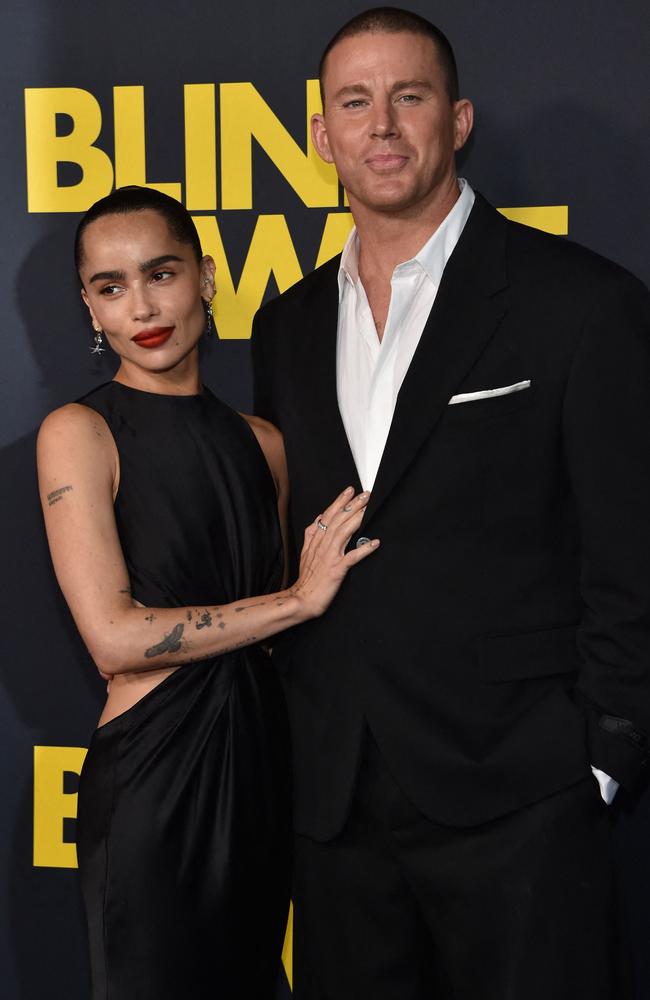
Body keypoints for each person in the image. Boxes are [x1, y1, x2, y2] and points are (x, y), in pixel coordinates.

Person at [252, 7, 650, 999]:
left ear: (458, 118)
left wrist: (597, 755)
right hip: (336, 801)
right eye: (354, 102)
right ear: (319, 136)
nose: (381, 125)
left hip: (520, 789)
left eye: (408, 96)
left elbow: (628, 543)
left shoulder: (579, 303)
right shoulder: (284, 324)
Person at [36, 185, 378, 1000]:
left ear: (206, 279)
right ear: (88, 307)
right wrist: (295, 599)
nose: (142, 307)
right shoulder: (78, 434)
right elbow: (114, 637)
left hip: (259, 772)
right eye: (110, 287)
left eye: (162, 274)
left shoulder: (265, 447)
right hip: (156, 783)